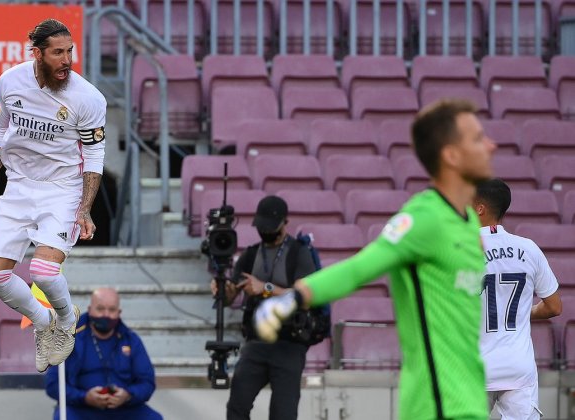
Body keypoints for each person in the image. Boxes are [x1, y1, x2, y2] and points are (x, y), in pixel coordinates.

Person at [255, 99, 497, 420]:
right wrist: (292, 298)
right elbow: (360, 267)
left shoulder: (468, 221)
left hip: (471, 403)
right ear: (451, 155)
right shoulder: (423, 218)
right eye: (478, 139)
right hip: (437, 406)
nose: (491, 146)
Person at [0, 18, 107, 373]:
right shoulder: (10, 81)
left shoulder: (88, 98)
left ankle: (64, 321)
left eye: (70, 51)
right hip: (18, 187)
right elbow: (0, 130)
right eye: (58, 53)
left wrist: (85, 209)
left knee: (43, 272)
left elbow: (93, 155)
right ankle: (43, 321)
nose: (66, 60)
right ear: (37, 53)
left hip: (62, 190)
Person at [210, 195, 317, 420]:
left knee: (283, 414)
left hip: (289, 343)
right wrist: (223, 289)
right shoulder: (250, 255)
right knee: (237, 408)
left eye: (270, 227)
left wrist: (265, 288)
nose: (265, 232)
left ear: (285, 224)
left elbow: (305, 295)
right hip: (256, 343)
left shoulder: (299, 253)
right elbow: (230, 296)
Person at [473, 178, 562, 420]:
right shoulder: (529, 248)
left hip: (476, 367)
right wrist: (525, 311)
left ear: (480, 208)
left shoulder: (465, 250)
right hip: (518, 369)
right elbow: (555, 307)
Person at [45, 288, 162, 420]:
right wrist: (84, 397)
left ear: (119, 312)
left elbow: (147, 382)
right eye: (100, 309)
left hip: (125, 409)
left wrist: (128, 395)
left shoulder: (131, 340)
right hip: (81, 408)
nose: (106, 315)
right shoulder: (69, 338)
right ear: (89, 310)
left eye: (112, 310)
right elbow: (53, 385)